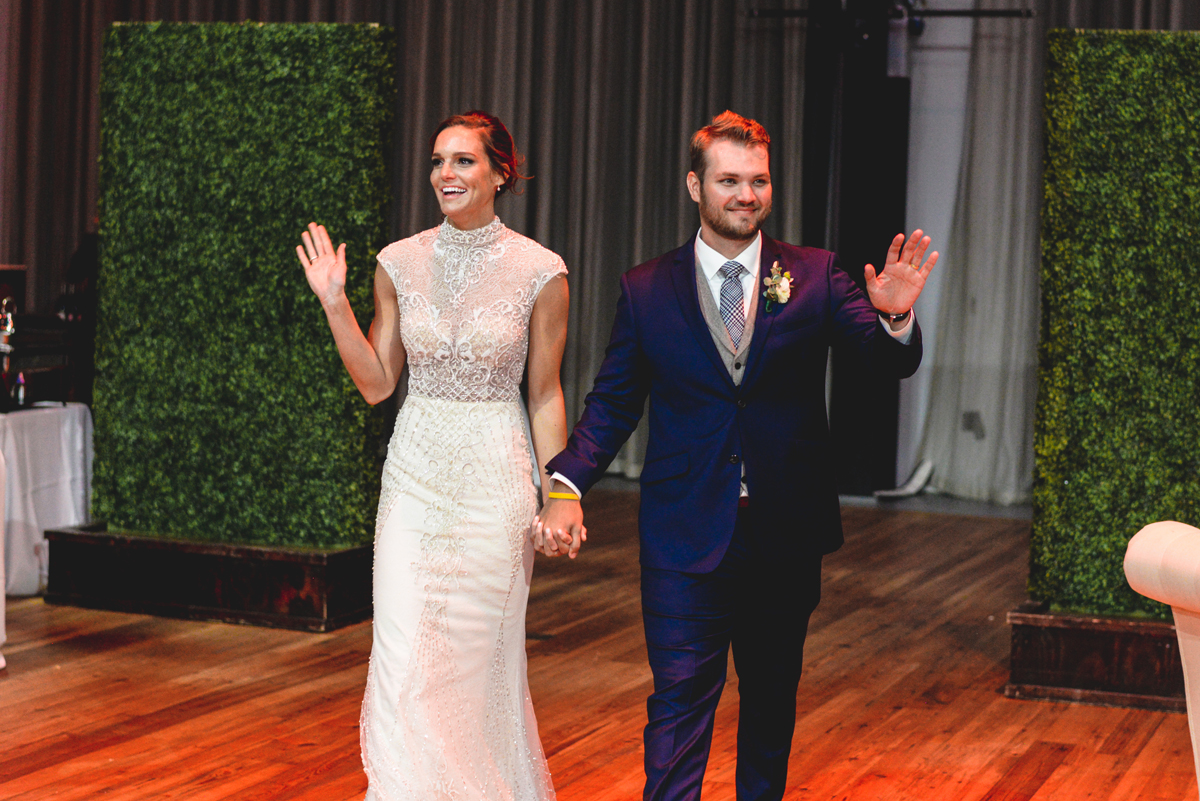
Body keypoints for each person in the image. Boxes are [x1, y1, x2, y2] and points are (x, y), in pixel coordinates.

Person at [535, 110, 938, 801]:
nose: (745, 194)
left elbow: (885, 364)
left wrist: (895, 318)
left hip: (784, 533)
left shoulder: (815, 275)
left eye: (758, 180)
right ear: (696, 185)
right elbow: (614, 402)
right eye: (729, 180)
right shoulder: (645, 288)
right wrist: (567, 482)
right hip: (683, 532)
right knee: (680, 700)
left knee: (771, 702)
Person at [298, 111, 569, 801]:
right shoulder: (399, 260)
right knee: (403, 658)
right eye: (438, 161)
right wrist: (335, 303)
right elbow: (377, 382)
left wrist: (560, 492)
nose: (445, 174)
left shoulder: (541, 272)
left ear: (500, 172)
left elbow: (543, 394)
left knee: (479, 668)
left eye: (463, 161)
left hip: (494, 480)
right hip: (414, 478)